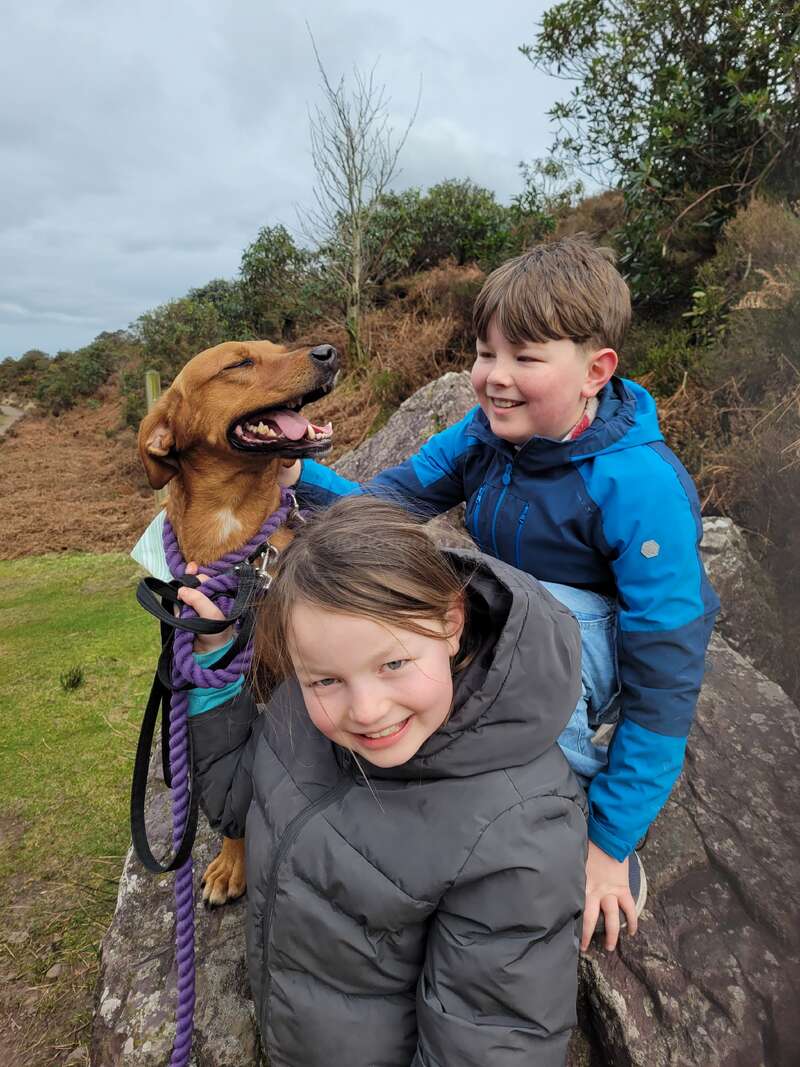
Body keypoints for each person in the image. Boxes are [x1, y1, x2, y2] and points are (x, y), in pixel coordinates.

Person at [279, 236, 720, 951]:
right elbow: (389, 504)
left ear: (595, 371)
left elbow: (667, 669)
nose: (494, 378)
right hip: (521, 621)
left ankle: (568, 806)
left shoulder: (639, 485)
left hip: (595, 649)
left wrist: (612, 839)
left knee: (533, 607)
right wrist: (297, 480)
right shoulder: (483, 436)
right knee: (471, 602)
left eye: (525, 357)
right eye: (485, 353)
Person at [179, 496, 587, 1067]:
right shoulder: (301, 707)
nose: (365, 711)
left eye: (393, 664)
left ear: (450, 622)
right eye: (326, 679)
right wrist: (215, 658)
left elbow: (489, 1041)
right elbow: (234, 805)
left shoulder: (519, 833)